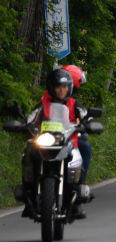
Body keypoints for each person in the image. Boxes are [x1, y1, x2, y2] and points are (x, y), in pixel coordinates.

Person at [20, 66, 92, 219]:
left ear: (69, 88)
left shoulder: (74, 104)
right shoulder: (43, 103)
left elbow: (86, 116)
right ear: (52, 88)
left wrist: (88, 123)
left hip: (68, 141)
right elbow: (31, 118)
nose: (61, 91)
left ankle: (78, 190)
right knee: (28, 152)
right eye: (58, 87)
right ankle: (28, 194)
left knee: (83, 150)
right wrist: (26, 125)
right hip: (44, 141)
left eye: (64, 87)